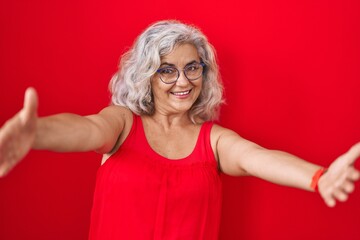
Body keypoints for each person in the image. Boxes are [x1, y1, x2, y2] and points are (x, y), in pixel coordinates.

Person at [0, 20, 359, 239]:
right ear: (147, 76)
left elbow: (256, 159)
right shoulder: (123, 123)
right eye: (167, 70)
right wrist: (36, 134)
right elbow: (85, 129)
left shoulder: (213, 141)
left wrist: (319, 178)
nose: (182, 81)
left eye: (192, 68)